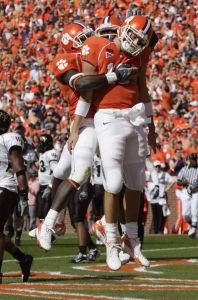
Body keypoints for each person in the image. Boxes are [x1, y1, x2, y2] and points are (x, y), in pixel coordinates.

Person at [69, 15, 157, 270]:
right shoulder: (98, 47)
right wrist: (76, 127)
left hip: (135, 118)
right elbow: (87, 92)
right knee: (115, 181)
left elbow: (143, 89)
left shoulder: (141, 55)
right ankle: (111, 241)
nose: (135, 42)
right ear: (122, 30)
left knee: (136, 183)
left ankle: (132, 240)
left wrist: (151, 127)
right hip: (108, 117)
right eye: (134, 36)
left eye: (141, 40)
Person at [35, 22, 133, 251]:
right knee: (80, 172)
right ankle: (48, 223)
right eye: (83, 38)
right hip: (85, 122)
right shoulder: (64, 59)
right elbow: (83, 84)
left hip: (103, 118)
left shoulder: (97, 54)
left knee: (110, 177)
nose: (89, 42)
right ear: (71, 43)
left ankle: (105, 228)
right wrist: (112, 76)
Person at [0, 109, 33, 283]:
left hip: (4, 187)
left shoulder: (9, 137)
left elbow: (18, 165)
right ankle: (23, 258)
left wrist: (23, 195)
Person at [146, 160, 175, 234]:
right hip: (153, 198)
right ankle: (155, 231)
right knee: (155, 215)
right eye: (156, 166)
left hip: (161, 198)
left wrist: (167, 188)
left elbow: (172, 180)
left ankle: (160, 230)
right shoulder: (149, 174)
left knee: (161, 214)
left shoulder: (164, 174)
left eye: (158, 166)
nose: (157, 168)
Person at [177, 153, 198, 239]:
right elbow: (178, 181)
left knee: (194, 211)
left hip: (196, 191)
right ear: (189, 160)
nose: (193, 161)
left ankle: (193, 231)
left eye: (195, 159)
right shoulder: (184, 169)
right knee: (185, 214)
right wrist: (184, 182)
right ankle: (192, 225)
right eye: (192, 159)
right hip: (186, 191)